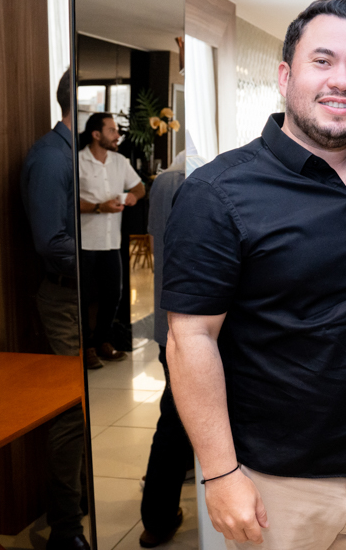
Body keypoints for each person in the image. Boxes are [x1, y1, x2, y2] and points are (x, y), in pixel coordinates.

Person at [162, 0, 346, 550]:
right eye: (322, 61)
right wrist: (220, 472)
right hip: (279, 488)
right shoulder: (218, 193)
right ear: (285, 76)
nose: (342, 80)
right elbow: (190, 339)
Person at [20, 68, 90, 550]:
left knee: (82, 409)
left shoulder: (69, 154)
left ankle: (76, 504)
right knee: (70, 414)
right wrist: (91, 262)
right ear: (77, 105)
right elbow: (50, 241)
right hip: (63, 297)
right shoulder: (50, 158)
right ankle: (65, 530)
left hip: (79, 295)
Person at [137, 146, 205, 548]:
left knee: (176, 416)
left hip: (168, 320)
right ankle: (158, 515)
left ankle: (158, 515)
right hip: (200, 326)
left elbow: (153, 242)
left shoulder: (163, 182)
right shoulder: (209, 177)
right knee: (178, 418)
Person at [77, 113, 145, 368]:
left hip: (111, 242)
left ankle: (103, 341)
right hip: (85, 242)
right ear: (96, 135)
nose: (117, 135)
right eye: (112, 130)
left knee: (113, 294)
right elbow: (68, 201)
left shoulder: (119, 161)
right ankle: (86, 348)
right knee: (83, 298)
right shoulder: (78, 161)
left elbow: (139, 187)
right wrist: (99, 208)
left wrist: (133, 196)